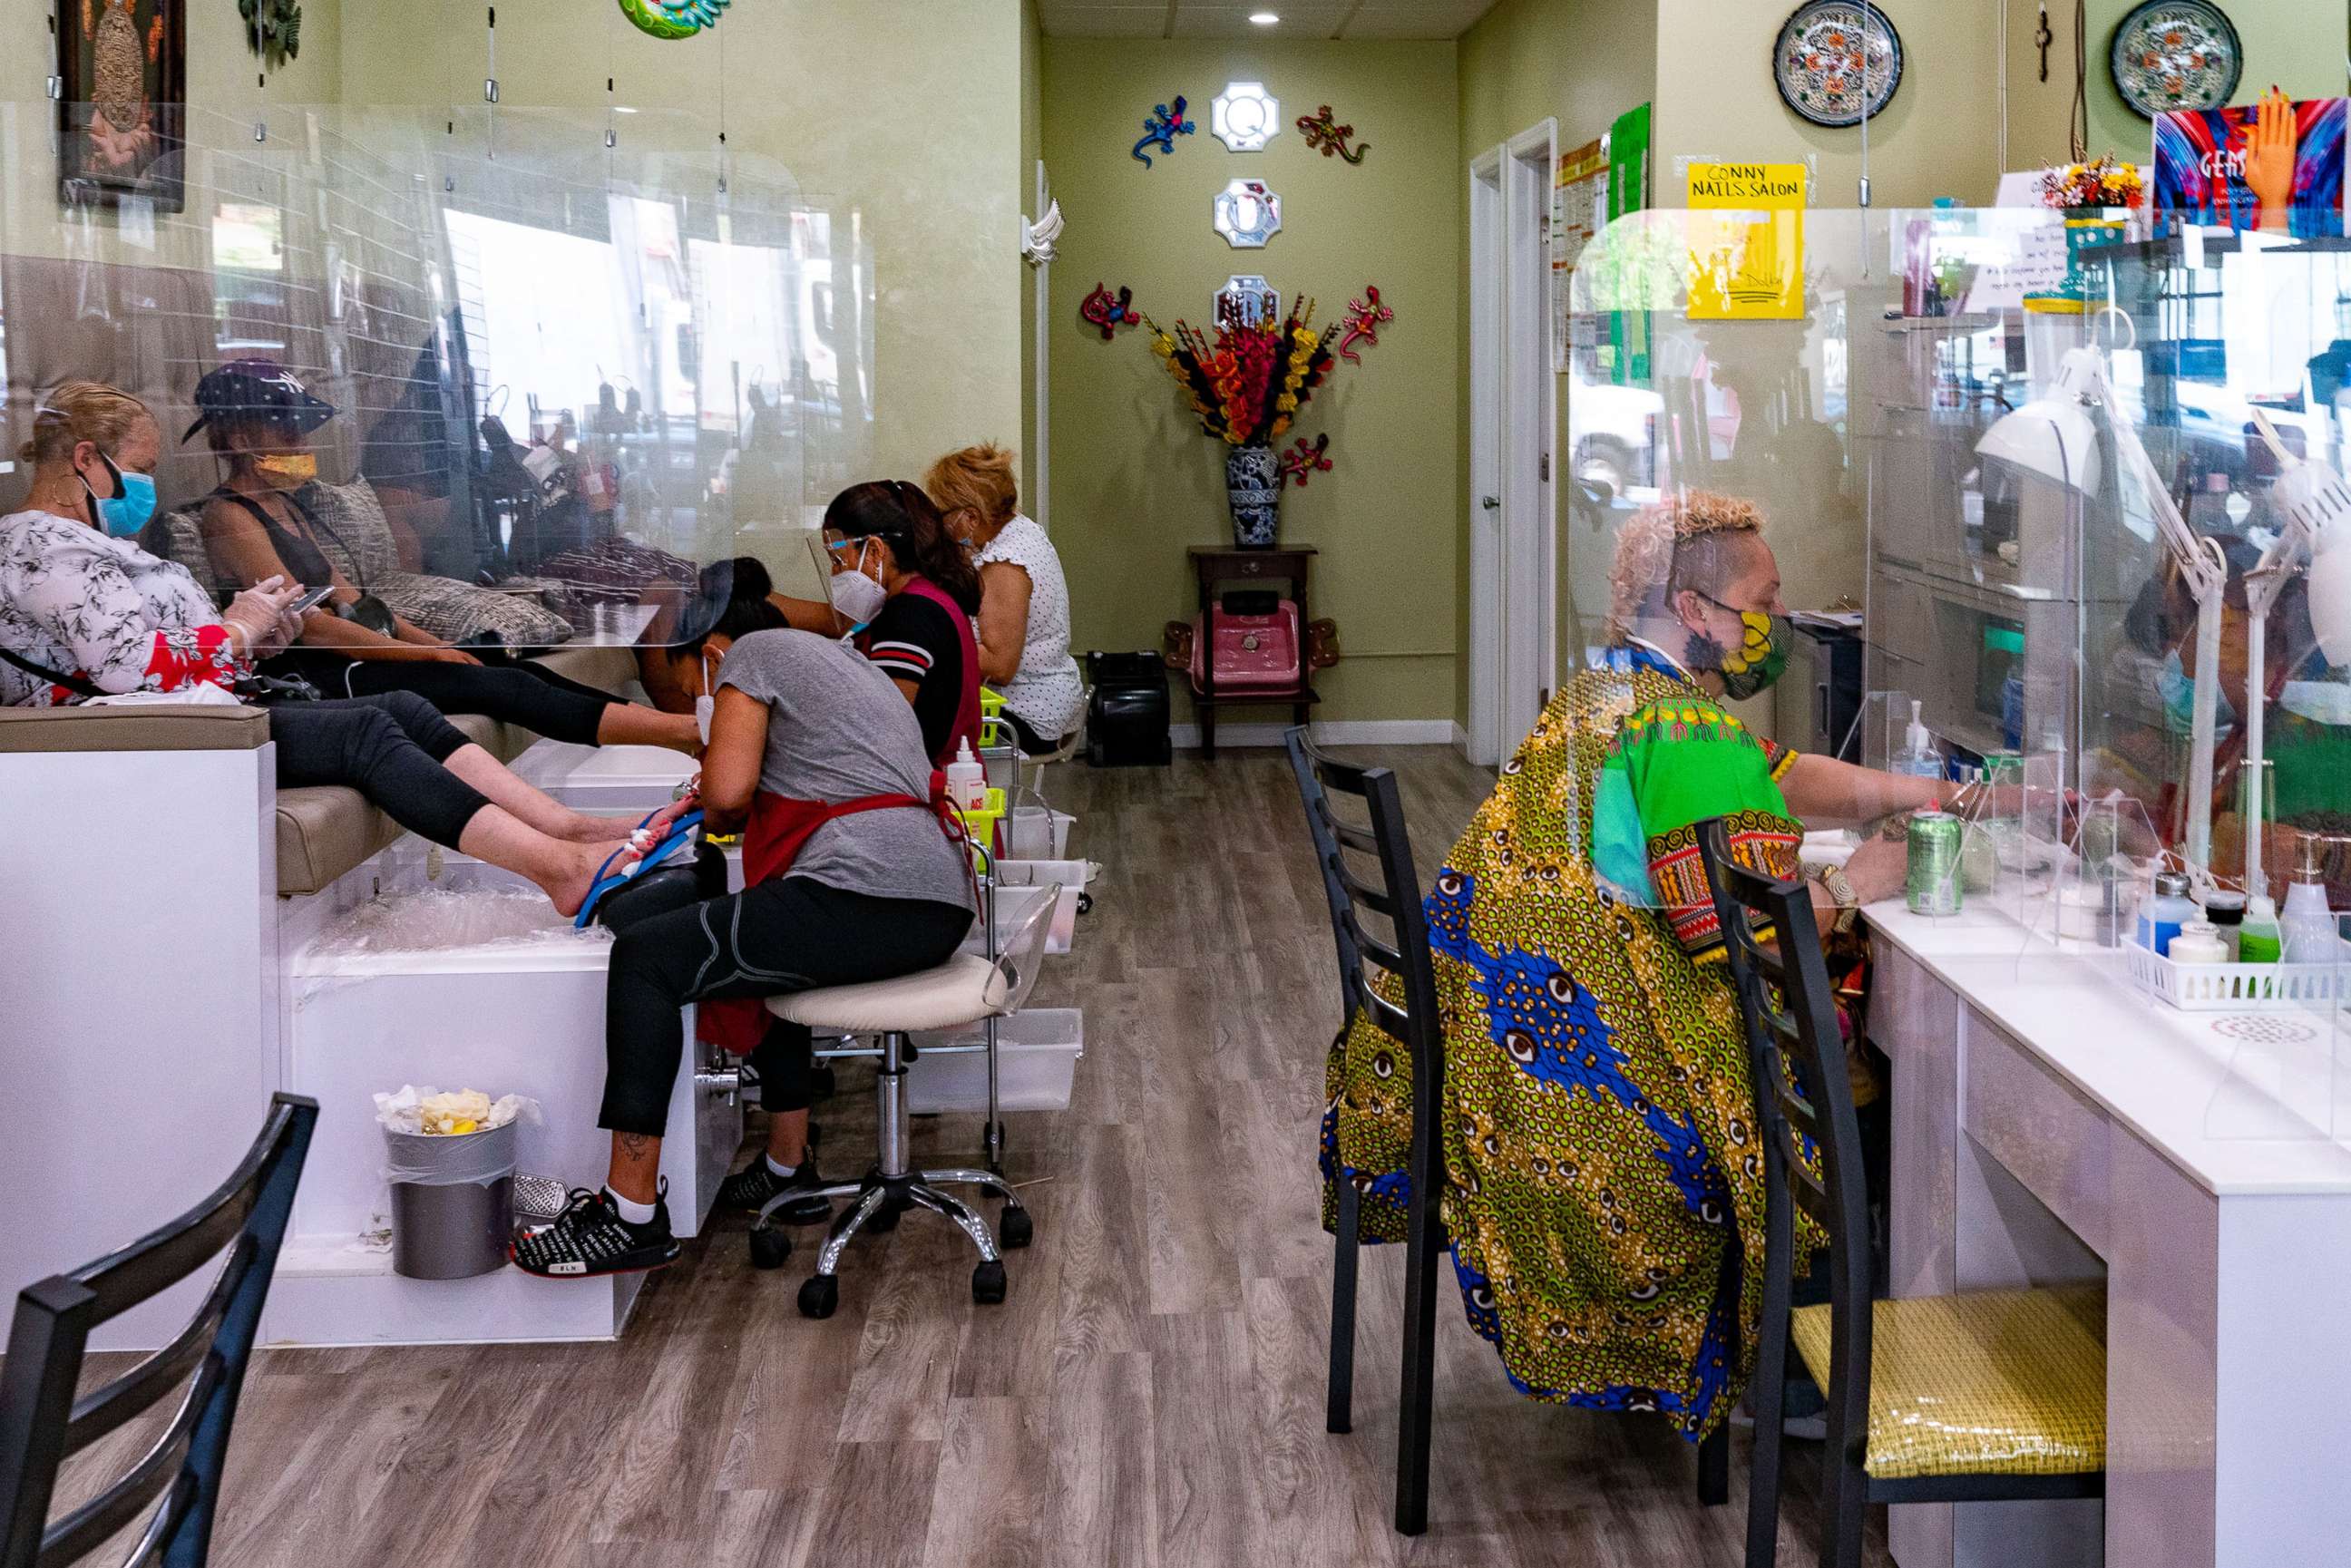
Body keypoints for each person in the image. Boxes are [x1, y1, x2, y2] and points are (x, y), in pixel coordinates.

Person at [1321, 490, 1966, 1440]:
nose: (1776, 626)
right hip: (1600, 1110)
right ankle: (1795, 1376)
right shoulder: (1685, 733)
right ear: (1697, 611)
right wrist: (1865, 881)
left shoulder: (1609, 694)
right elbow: (1754, 943)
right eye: (1765, 600)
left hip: (1495, 1071)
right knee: (1855, 1081)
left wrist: (1934, 792)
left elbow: (1773, 770)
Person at [1, 382, 653, 917]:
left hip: (198, 713)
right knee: (368, 730)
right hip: (142, 738)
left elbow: (164, 650)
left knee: (404, 708)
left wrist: (257, 633)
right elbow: (124, 668)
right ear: (86, 459)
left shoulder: (89, 543)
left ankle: (564, 831)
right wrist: (236, 631)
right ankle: (558, 868)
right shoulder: (41, 546)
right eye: (140, 470)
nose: (147, 487)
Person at [511, 609, 979, 1278]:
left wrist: (709, 791)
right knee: (769, 949)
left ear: (712, 650)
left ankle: (628, 1213)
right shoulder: (852, 667)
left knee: (648, 956)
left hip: (863, 891)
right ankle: (788, 1163)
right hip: (937, 897)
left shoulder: (751, 656)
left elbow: (729, 793)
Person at [186, 358, 699, 754]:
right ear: (239, 436)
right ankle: (682, 733)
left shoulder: (284, 504)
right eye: (287, 431)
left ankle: (681, 731)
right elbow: (311, 625)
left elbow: (350, 599)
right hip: (317, 675)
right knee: (494, 688)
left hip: (359, 650)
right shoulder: (229, 516)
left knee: (504, 670)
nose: (300, 443)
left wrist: (441, 644)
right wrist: (428, 655)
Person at [923, 443, 1085, 754]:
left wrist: (927, 639)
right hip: (1039, 699)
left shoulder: (1006, 563)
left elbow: (999, 665)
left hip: (1025, 712)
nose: (939, 525)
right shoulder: (1016, 531)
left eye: (942, 514)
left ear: (971, 517)